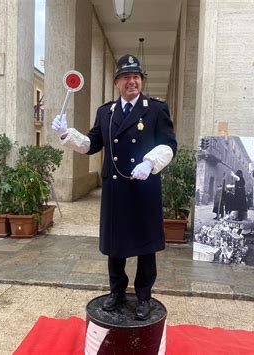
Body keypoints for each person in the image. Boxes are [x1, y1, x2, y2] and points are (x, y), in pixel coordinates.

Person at [52, 54, 177, 320]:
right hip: (116, 188)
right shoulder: (105, 112)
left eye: (136, 77)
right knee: (116, 243)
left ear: (141, 81)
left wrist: (149, 163)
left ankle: (144, 296)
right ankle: (117, 292)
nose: (132, 82)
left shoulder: (155, 109)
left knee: (145, 245)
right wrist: (67, 134)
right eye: (126, 77)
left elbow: (169, 144)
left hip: (144, 185)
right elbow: (91, 144)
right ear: (117, 82)